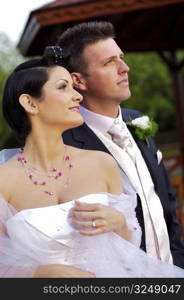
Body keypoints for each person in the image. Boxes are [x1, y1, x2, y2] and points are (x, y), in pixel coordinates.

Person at [0, 46, 184, 278]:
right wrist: (38, 273)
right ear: (30, 103)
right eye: (62, 87)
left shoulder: (102, 163)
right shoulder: (3, 182)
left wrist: (118, 222)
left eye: (72, 86)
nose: (77, 95)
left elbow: (129, 243)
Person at [56, 21, 184, 268]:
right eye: (108, 63)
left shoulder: (136, 120)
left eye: (121, 58)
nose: (124, 68)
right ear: (78, 81)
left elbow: (165, 200)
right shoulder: (65, 145)